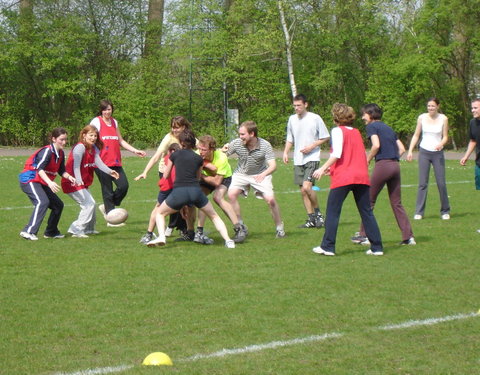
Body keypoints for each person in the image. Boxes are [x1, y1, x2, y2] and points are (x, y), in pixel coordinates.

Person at [311, 103, 383, 256]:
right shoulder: (357, 132)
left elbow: (336, 154)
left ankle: (328, 246)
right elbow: (353, 155)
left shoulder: (337, 131)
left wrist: (322, 168)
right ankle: (377, 247)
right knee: (366, 212)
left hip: (344, 178)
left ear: (336, 117)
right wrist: (332, 168)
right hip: (361, 176)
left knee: (332, 212)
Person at [147, 130, 235, 248]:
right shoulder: (198, 158)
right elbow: (198, 177)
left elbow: (166, 175)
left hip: (179, 192)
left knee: (160, 213)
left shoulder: (174, 155)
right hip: (196, 192)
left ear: (181, 143)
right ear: (194, 143)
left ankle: (162, 236)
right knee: (214, 216)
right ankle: (228, 241)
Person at [350, 104, 415, 246]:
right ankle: (408, 237)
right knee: (397, 203)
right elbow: (402, 149)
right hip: (395, 166)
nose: (362, 117)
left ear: (371, 115)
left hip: (383, 166)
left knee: (368, 201)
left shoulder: (372, 127)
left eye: (364, 114)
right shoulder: (388, 128)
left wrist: (367, 160)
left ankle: (364, 235)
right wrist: (392, 159)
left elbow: (376, 145)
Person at [223, 120, 285, 238]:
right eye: (239, 134)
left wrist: (263, 174)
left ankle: (279, 228)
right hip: (241, 174)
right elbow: (222, 155)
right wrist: (222, 149)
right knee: (231, 195)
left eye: (243, 134)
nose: (240, 137)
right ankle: (240, 226)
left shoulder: (265, 145)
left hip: (261, 173)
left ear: (252, 134)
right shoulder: (237, 143)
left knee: (271, 200)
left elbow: (273, 166)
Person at [90, 99, 146, 225]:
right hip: (101, 163)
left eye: (109, 109)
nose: (107, 112)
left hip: (115, 162)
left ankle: (107, 207)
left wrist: (135, 150)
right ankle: (111, 219)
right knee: (107, 190)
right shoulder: (96, 122)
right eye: (105, 109)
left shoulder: (114, 122)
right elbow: (89, 137)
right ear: (101, 110)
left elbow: (120, 140)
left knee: (123, 186)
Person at [135, 116, 190, 240]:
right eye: (173, 127)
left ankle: (184, 230)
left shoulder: (188, 138)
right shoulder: (169, 138)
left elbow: (200, 148)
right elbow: (156, 156)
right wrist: (145, 172)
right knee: (163, 204)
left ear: (184, 127)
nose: (174, 130)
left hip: (181, 175)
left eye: (177, 127)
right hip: (167, 174)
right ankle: (151, 233)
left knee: (183, 204)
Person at [61, 125, 120, 238]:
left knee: (91, 203)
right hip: (72, 182)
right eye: (91, 135)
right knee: (88, 204)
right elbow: (76, 166)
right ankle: (76, 229)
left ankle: (89, 229)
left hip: (81, 182)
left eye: (95, 135)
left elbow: (99, 163)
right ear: (84, 135)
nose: (93, 138)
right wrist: (78, 180)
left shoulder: (93, 148)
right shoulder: (80, 148)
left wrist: (110, 171)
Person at [19, 127, 76, 240]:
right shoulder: (47, 151)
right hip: (30, 180)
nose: (64, 142)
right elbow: (39, 169)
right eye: (61, 139)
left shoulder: (60, 153)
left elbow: (61, 171)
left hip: (41, 181)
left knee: (58, 205)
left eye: (65, 140)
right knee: (42, 202)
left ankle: (51, 232)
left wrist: (70, 177)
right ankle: (28, 231)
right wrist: (50, 183)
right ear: (54, 139)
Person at [283, 94, 330, 228]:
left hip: (312, 158)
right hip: (298, 159)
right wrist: (286, 152)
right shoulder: (292, 119)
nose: (296, 108)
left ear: (306, 105)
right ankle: (311, 219)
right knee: (303, 191)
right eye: (295, 106)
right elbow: (290, 138)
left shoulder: (315, 118)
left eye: (299, 105)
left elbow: (325, 137)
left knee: (307, 187)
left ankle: (318, 214)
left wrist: (312, 146)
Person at [194, 135, 247, 244]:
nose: (201, 152)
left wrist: (201, 176)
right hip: (206, 177)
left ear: (212, 149)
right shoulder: (197, 154)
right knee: (200, 198)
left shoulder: (221, 158)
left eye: (204, 150)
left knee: (218, 198)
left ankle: (239, 228)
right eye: (199, 148)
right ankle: (199, 232)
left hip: (223, 178)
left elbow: (216, 182)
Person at [407, 97, 450, 220]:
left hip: (438, 153)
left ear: (438, 106)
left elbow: (445, 136)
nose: (430, 108)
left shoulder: (443, 118)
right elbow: (416, 135)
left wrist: (441, 144)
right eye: (429, 106)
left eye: (433, 106)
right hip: (424, 152)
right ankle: (419, 212)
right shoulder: (421, 117)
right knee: (422, 183)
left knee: (441, 183)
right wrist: (410, 150)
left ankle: (445, 210)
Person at [137, 143, 180, 244]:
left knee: (159, 209)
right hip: (170, 187)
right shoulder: (173, 158)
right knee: (159, 209)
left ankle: (149, 234)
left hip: (169, 187)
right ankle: (149, 234)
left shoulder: (168, 157)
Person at [460, 98, 480, 232]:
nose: (473, 110)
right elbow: (473, 141)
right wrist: (466, 156)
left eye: (475, 108)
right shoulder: (473, 123)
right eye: (472, 108)